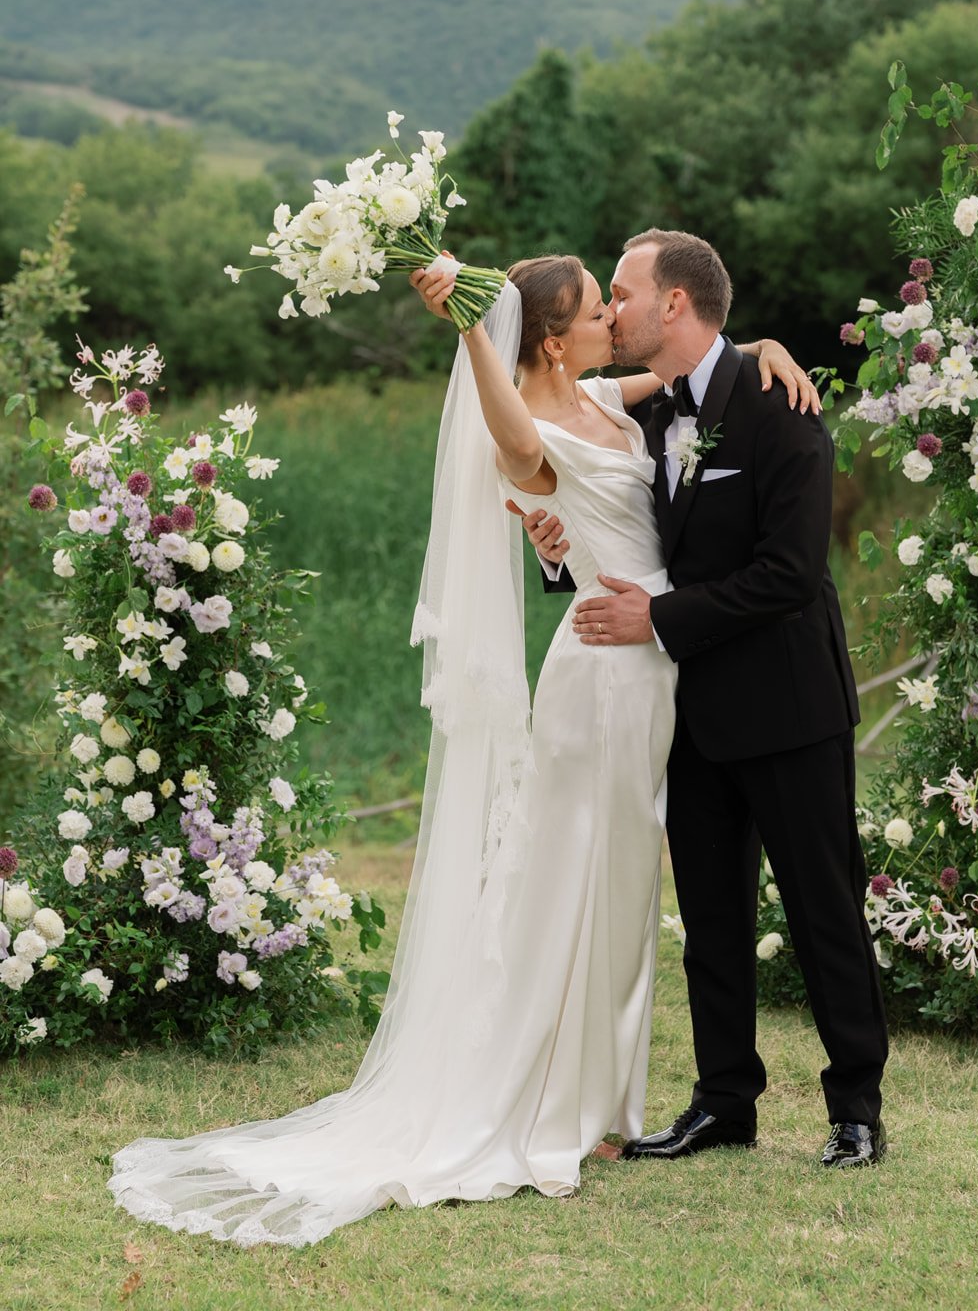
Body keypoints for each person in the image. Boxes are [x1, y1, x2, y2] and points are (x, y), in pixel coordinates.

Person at [107, 255, 813, 1246]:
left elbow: (708, 370)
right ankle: (551, 1106)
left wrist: (766, 346)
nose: (615, 316)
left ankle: (599, 1104)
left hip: (654, 666)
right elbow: (516, 439)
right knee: (575, 879)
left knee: (617, 887)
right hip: (601, 677)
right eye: (593, 308)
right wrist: (466, 335)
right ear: (553, 337)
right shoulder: (530, 426)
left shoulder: (608, 394)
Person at [519, 229, 888, 1170]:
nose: (612, 310)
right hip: (685, 711)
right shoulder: (642, 417)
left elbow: (792, 573)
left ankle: (855, 1107)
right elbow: (631, 545)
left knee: (822, 907)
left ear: (674, 303)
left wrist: (662, 619)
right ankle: (724, 1101)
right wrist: (561, 555)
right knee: (712, 919)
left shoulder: (780, 402)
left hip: (789, 707)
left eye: (623, 293)